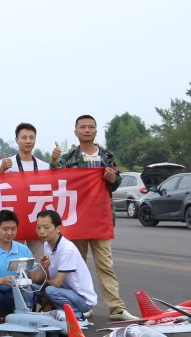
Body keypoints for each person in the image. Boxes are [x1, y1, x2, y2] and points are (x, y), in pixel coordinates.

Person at [51, 114, 136, 322]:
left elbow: (116, 183)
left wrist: (112, 178)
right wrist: (53, 162)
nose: (87, 130)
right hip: (76, 218)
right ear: (76, 132)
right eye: (82, 127)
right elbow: (54, 181)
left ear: (96, 131)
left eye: (91, 127)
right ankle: (82, 304)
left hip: (99, 218)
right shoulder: (69, 158)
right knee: (76, 267)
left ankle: (116, 308)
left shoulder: (107, 156)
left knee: (105, 265)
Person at [35, 209, 96, 320]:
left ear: (58, 228)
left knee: (48, 290)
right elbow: (49, 277)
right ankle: (56, 309)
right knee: (32, 288)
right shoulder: (47, 245)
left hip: (82, 299)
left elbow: (57, 283)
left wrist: (44, 288)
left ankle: (76, 316)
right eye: (38, 227)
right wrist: (44, 269)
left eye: (46, 227)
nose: (41, 231)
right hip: (64, 292)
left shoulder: (67, 249)